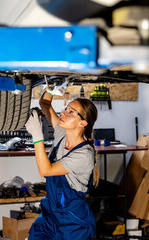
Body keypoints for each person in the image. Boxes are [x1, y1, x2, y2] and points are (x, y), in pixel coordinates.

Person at [25, 82, 99, 240]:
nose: (63, 113)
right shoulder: (61, 134)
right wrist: (51, 90)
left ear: (83, 123)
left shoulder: (84, 154)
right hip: (50, 214)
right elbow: (44, 103)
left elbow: (46, 171)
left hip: (72, 221)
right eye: (66, 108)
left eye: (71, 112)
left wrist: (37, 135)